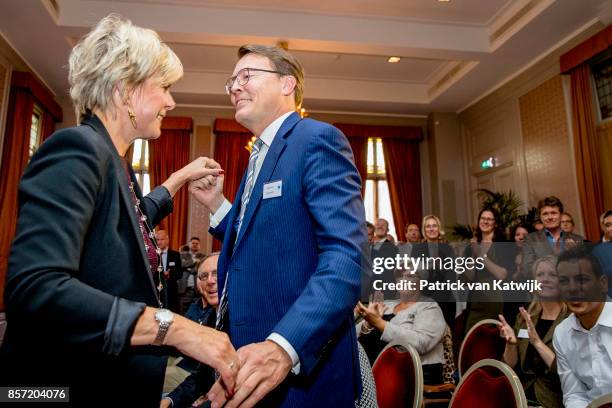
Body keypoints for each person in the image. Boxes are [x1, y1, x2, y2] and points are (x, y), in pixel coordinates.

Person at [0, 15, 237, 407]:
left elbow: (125, 225)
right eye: (163, 87)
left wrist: (178, 177)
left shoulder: (116, 164)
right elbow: (35, 288)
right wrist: (172, 327)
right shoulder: (77, 149)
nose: (170, 101)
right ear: (125, 91)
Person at [190, 44, 366, 407]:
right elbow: (264, 240)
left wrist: (285, 347)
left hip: (301, 375)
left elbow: (347, 258)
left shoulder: (316, 139)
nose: (235, 87)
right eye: (231, 81)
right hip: (251, 362)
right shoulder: (260, 155)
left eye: (247, 76)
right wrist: (217, 206)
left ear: (287, 84)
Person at [498, 256, 569, 407]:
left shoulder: (572, 319)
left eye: (552, 274)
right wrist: (511, 344)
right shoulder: (525, 318)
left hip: (554, 400)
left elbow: (567, 373)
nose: (545, 279)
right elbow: (509, 367)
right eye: (540, 275)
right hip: (521, 397)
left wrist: (537, 342)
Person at [356, 268, 447, 385]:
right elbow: (354, 338)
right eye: (400, 276)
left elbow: (421, 343)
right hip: (374, 372)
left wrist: (379, 323)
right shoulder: (386, 304)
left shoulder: (429, 307)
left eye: (410, 276)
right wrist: (368, 323)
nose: (404, 279)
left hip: (414, 376)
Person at [553, 246, 612, 407]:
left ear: (603, 284)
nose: (572, 289)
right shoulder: (562, 333)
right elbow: (574, 395)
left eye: (582, 280)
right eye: (564, 281)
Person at [162, 253, 221, 408]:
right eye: (204, 276)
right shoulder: (211, 317)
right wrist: (170, 401)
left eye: (216, 273)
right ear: (198, 283)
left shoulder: (243, 320)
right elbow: (203, 375)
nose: (210, 280)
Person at [463, 207, 510, 332]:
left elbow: (502, 274)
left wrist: (481, 255)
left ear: (495, 223)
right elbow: (469, 278)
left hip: (494, 300)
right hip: (476, 300)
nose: (485, 221)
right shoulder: (471, 246)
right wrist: (473, 255)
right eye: (483, 218)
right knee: (470, 339)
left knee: (492, 342)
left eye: (489, 219)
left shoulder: (502, 244)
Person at [411, 214, 457, 329]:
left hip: (446, 300)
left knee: (447, 337)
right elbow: (415, 277)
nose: (431, 229)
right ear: (424, 230)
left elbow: (453, 278)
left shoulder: (448, 249)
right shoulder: (417, 249)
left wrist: (440, 267)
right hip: (425, 300)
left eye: (434, 226)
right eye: (428, 226)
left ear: (439, 228)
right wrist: (427, 268)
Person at [523, 196, 584, 276]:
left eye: (553, 213)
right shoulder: (530, 239)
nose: (550, 217)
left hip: (570, 286)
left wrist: (574, 252)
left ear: (561, 215)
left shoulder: (577, 239)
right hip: (544, 286)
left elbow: (584, 268)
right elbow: (527, 269)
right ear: (540, 217)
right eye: (545, 214)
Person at [156, 229, 183, 313]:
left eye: (162, 239)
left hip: (171, 292)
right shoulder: (152, 255)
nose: (159, 242)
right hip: (156, 292)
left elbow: (180, 273)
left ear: (167, 240)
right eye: (157, 240)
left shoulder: (175, 255)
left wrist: (169, 276)